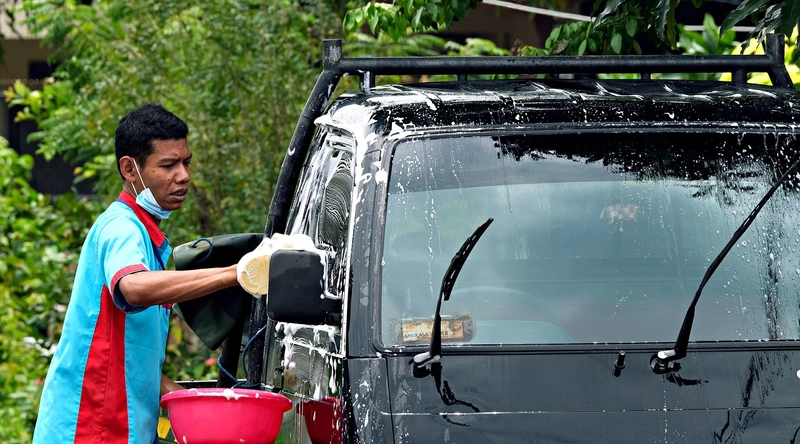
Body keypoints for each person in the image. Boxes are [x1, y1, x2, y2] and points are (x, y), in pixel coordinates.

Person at [32, 104, 240, 443]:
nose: (184, 175)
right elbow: (134, 287)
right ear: (130, 169)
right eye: (169, 165)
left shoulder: (146, 238)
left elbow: (131, 358)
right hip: (92, 429)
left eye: (186, 163)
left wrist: (183, 398)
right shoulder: (121, 227)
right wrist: (236, 273)